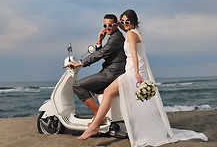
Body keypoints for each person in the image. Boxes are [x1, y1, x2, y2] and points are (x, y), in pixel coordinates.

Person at [78, 10, 208, 146]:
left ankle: (94, 127)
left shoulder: (131, 34)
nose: (124, 24)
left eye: (127, 22)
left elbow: (134, 54)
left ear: (133, 21)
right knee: (139, 102)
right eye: (122, 22)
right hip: (135, 70)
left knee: (108, 92)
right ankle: (99, 124)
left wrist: (136, 74)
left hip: (133, 71)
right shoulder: (135, 33)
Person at [69, 14, 126, 119]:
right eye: (105, 25)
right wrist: (99, 41)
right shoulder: (114, 37)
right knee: (93, 88)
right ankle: (106, 114)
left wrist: (79, 63)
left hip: (112, 73)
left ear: (116, 25)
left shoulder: (116, 38)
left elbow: (100, 54)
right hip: (110, 71)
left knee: (78, 86)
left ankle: (98, 115)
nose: (107, 28)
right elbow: (104, 53)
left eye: (110, 25)